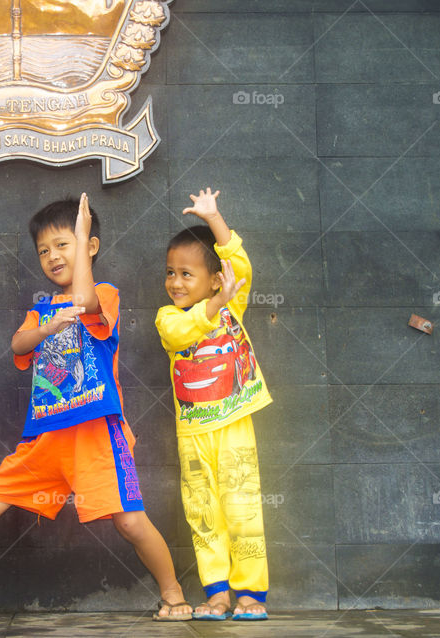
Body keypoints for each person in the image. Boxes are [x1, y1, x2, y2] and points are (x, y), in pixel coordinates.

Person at [0, 194, 193, 623]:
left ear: (90, 247)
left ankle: (174, 595)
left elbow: (84, 302)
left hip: (96, 434)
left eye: (64, 244)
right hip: (45, 437)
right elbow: (18, 345)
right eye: (44, 250)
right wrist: (46, 326)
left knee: (130, 523)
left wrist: (81, 234)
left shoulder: (104, 295)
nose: (52, 256)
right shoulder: (40, 309)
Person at [156, 188, 272, 621]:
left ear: (214, 279)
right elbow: (180, 335)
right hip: (193, 435)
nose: (175, 282)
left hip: (234, 426)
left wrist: (214, 218)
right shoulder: (169, 317)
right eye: (170, 272)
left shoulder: (232, 304)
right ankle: (217, 593)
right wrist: (213, 304)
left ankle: (249, 593)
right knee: (203, 514)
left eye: (186, 273)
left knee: (243, 508)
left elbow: (237, 265)